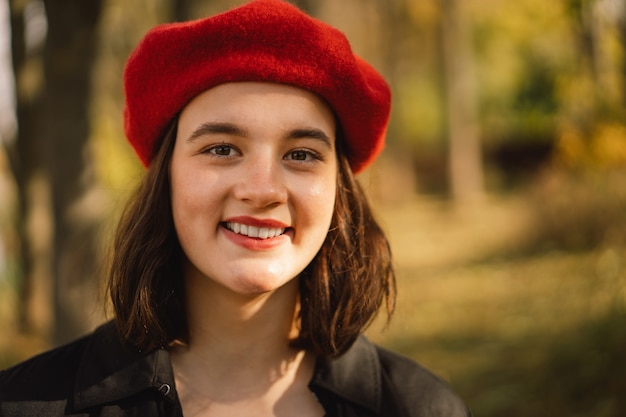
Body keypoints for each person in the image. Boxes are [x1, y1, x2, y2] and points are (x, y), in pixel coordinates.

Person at [0, 1, 470, 416]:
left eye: (302, 154)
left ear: (338, 191)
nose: (262, 189)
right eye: (222, 149)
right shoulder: (26, 402)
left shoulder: (419, 407)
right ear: (165, 178)